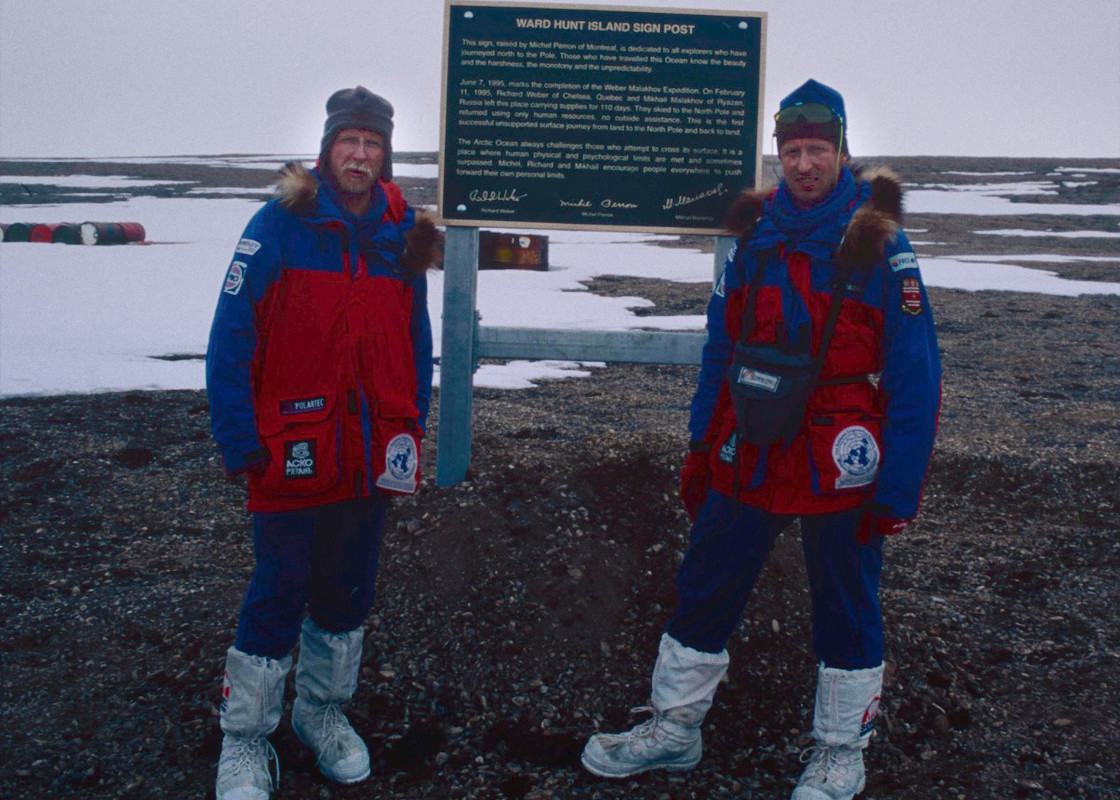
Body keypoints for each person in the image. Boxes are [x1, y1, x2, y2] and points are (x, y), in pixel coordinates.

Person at [581, 79, 941, 800]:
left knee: (846, 599)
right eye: (792, 151)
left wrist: (898, 487)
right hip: (749, 445)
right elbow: (720, 351)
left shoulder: (881, 247)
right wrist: (698, 446)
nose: (804, 165)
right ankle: (675, 729)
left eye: (817, 150)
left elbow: (915, 373)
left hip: (840, 457)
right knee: (707, 581)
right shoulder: (756, 240)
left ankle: (840, 752)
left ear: (842, 152)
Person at [205, 86, 442, 800]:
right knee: (278, 588)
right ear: (328, 148)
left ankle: (321, 711)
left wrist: (410, 426)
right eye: (349, 141)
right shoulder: (280, 225)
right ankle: (246, 736)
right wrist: (239, 438)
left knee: (347, 590)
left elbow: (416, 341)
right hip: (292, 449)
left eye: (372, 144)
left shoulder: (402, 235)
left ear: (385, 156)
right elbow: (232, 335)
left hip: (371, 454)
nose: (359, 156)